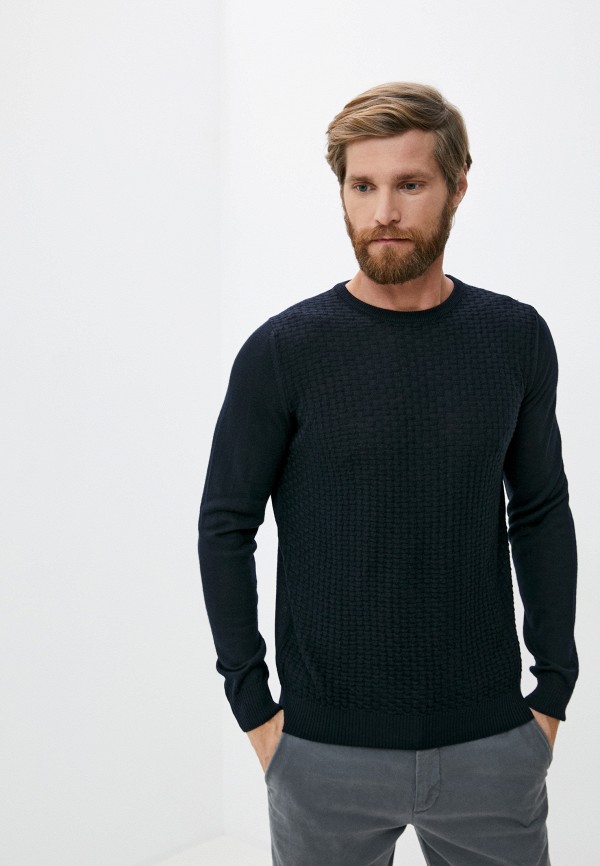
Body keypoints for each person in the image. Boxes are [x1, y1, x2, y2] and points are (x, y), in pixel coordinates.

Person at [198, 82, 578, 866]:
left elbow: (539, 510)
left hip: (491, 747)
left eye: (409, 184)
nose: (384, 213)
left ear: (457, 186)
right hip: (320, 753)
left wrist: (552, 692)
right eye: (362, 186)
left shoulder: (514, 339)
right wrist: (256, 711)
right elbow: (226, 526)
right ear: (341, 190)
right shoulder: (285, 351)